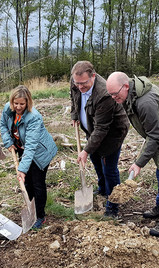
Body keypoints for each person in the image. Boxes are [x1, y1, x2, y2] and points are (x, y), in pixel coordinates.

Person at [106, 71, 159, 236]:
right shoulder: (131, 94)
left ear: (126, 86)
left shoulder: (145, 102)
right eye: (110, 94)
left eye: (115, 94)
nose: (113, 97)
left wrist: (139, 163)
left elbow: (156, 136)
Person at [70, 61, 129, 218]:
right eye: (77, 83)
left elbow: (102, 128)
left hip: (112, 133)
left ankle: (113, 205)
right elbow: (73, 97)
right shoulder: (76, 81)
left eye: (83, 84)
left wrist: (85, 150)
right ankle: (103, 189)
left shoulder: (104, 94)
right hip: (92, 128)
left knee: (109, 168)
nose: (80, 87)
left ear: (93, 76)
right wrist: (75, 114)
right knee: (96, 160)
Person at [0, 85, 57, 229]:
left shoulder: (34, 117)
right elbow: (3, 126)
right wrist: (8, 142)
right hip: (21, 148)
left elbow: (31, 146)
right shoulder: (8, 109)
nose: (18, 107)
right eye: (16, 103)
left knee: (37, 183)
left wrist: (22, 169)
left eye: (22, 104)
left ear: (28, 103)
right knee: (27, 184)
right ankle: (32, 210)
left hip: (39, 153)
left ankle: (40, 216)